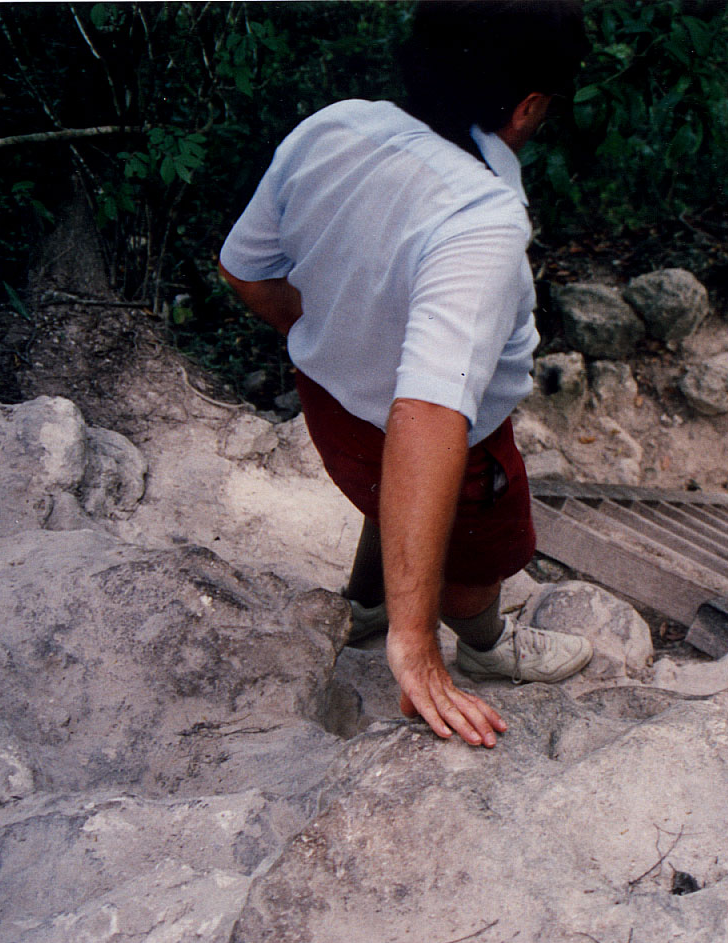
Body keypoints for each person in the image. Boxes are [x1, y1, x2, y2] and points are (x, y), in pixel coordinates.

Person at [218, 1, 593, 749]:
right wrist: (417, 647)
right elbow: (425, 419)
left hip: (329, 409)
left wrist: (332, 337)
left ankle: (366, 604)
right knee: (480, 555)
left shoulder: (335, 125)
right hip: (453, 456)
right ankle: (484, 647)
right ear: (527, 107)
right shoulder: (480, 221)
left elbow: (245, 272)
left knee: (385, 485)